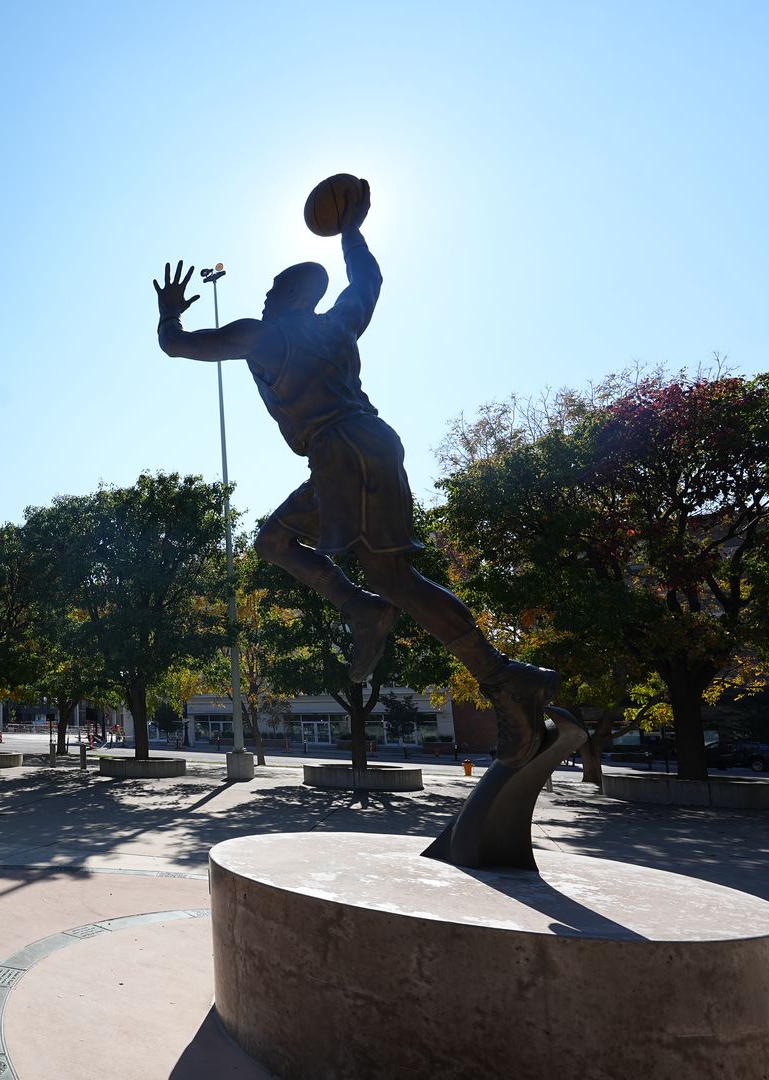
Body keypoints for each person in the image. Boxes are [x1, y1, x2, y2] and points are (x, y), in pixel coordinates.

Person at [152, 181, 558, 769]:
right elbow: (368, 282)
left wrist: (168, 312)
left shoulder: (264, 334)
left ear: (294, 294)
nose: (266, 297)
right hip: (371, 443)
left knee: (369, 572)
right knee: (306, 551)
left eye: (273, 289)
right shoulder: (338, 324)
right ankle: (487, 669)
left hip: (339, 447)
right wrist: (351, 232)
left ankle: (470, 662)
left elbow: (178, 346)